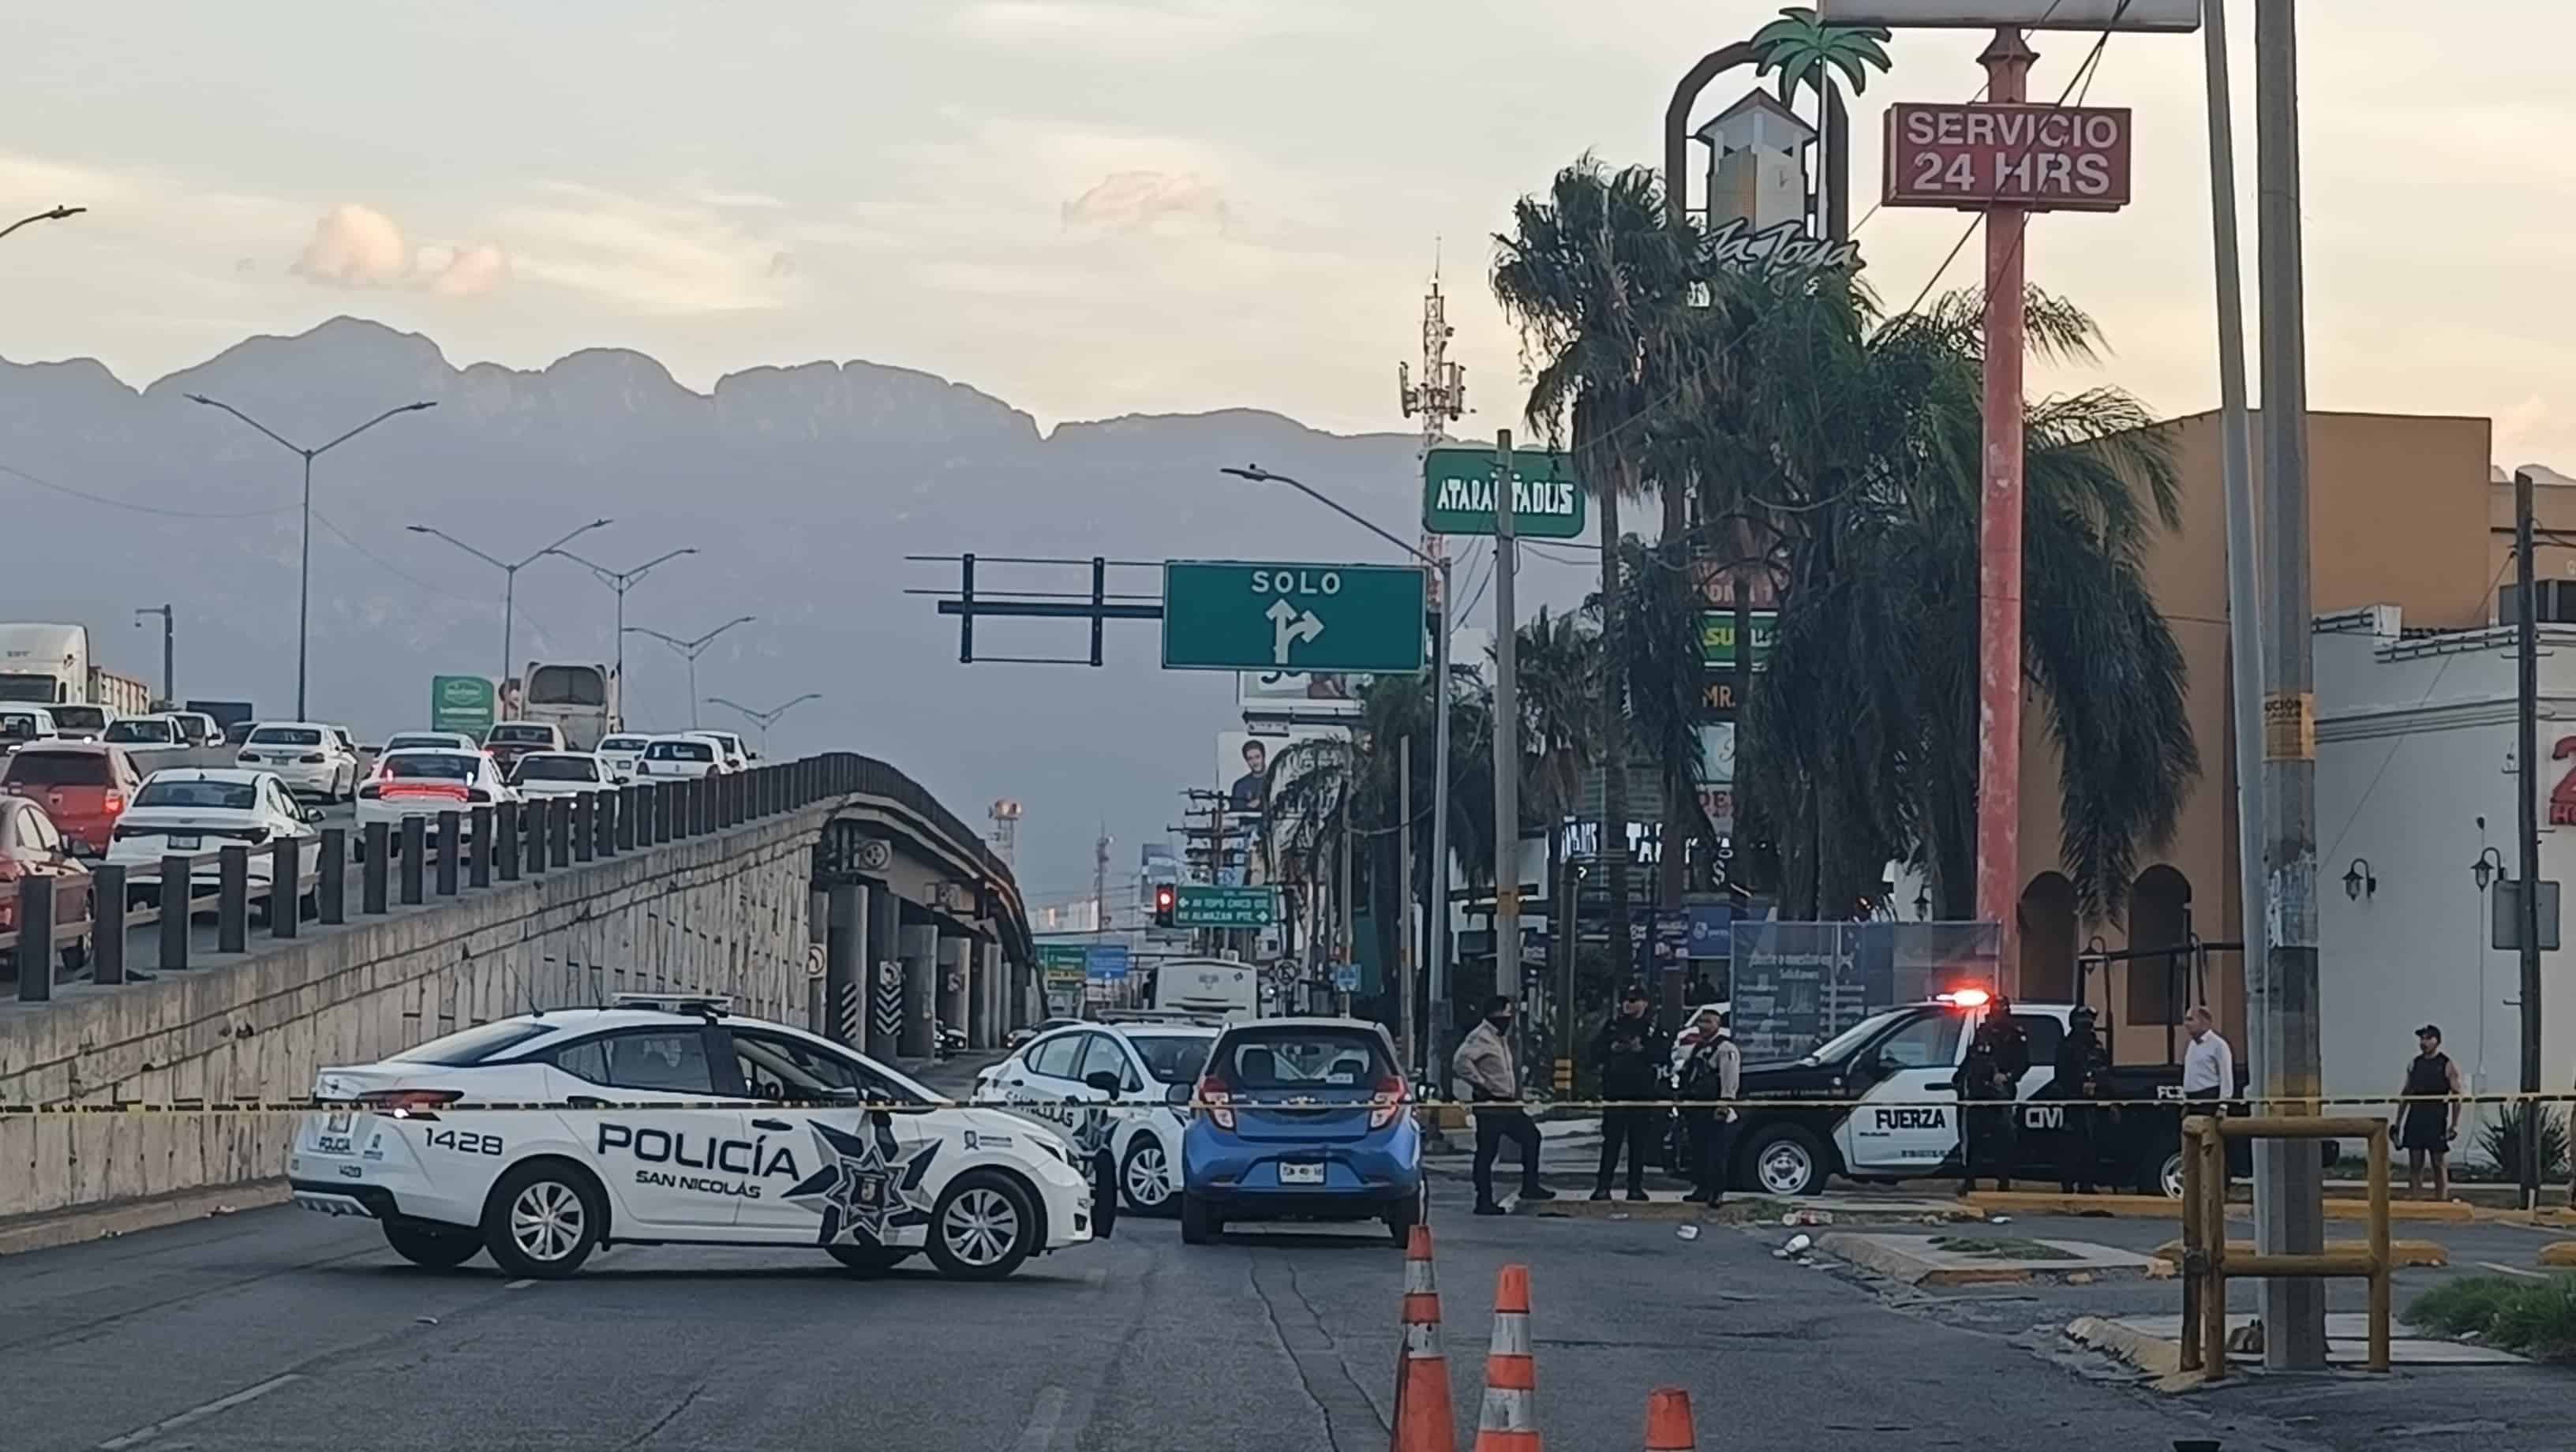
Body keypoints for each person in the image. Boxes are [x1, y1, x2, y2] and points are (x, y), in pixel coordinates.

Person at [1453, 994, 1555, 1215]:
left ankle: (1530, 1186)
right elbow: (1460, 1062)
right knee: (1487, 1152)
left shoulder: (1499, 1037)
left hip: (1508, 1104)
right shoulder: (1481, 1037)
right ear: (1495, 1014)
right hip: (1490, 1103)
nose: (1509, 1018)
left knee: (1531, 1137)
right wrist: (1481, 1084)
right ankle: (1484, 1201)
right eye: (1506, 1013)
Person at [1590, 984, 1671, 1201]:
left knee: (1638, 1143)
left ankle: (1635, 1187)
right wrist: (1611, 1049)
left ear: (1644, 1003)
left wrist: (1642, 1050)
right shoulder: (1613, 1026)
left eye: (1634, 999)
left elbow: (1664, 1055)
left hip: (1642, 1092)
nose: (1628, 1003)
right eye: (1626, 999)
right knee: (1611, 1142)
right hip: (1615, 1091)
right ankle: (1603, 1187)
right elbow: (1594, 1052)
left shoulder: (1652, 1028)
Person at [1953, 999, 2030, 1193]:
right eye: (1995, 1009)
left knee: (2002, 1141)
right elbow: (1972, 1058)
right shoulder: (1982, 1031)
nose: (1997, 1013)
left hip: (2000, 1095)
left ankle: (2003, 1183)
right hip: (1978, 1094)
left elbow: (2024, 1063)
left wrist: (2008, 1077)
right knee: (1974, 1139)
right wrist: (1959, 1078)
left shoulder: (2014, 1034)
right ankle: (1969, 1181)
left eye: (2001, 1009)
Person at [1677, 1008, 1741, 1205]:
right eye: (1701, 1022)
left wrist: (1725, 1103)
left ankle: (1716, 1192)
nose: (1703, 1026)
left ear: (1718, 1025)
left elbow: (1729, 1078)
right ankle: (1701, 1188)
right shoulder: (1698, 1047)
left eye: (1708, 1022)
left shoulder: (1725, 1048)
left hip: (1714, 1106)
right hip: (1696, 1106)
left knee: (1715, 1151)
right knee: (1699, 1149)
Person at [2398, 1024, 2466, 1200]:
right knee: (2415, 1163)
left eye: (2428, 1038)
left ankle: (2441, 1200)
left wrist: (2455, 1124)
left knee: (2438, 1163)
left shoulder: (2447, 1064)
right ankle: (2415, 1200)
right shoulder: (2415, 1064)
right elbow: (2406, 1094)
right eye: (2422, 1038)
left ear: (2437, 1041)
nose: (2424, 1042)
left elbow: (2457, 1095)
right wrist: (2398, 1123)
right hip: (2415, 1119)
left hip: (2436, 1119)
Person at [2054, 1005, 2108, 1194]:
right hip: (2073, 1103)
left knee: (2091, 1145)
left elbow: (2104, 1070)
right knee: (2071, 1147)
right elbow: (2061, 1075)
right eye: (2083, 1020)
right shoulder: (2067, 1046)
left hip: (2093, 1105)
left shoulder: (2097, 1046)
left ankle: (2087, 1185)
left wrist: (2097, 1087)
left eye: (2090, 1020)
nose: (2087, 1024)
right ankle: (2068, 1186)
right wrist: (2078, 1087)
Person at [1227, 739, 1267, 814]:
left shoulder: (1276, 780)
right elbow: (1235, 810)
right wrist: (1249, 806)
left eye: (1257, 757)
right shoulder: (1240, 785)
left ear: (1264, 757)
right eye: (1250, 758)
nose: (1255, 762)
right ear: (1246, 761)